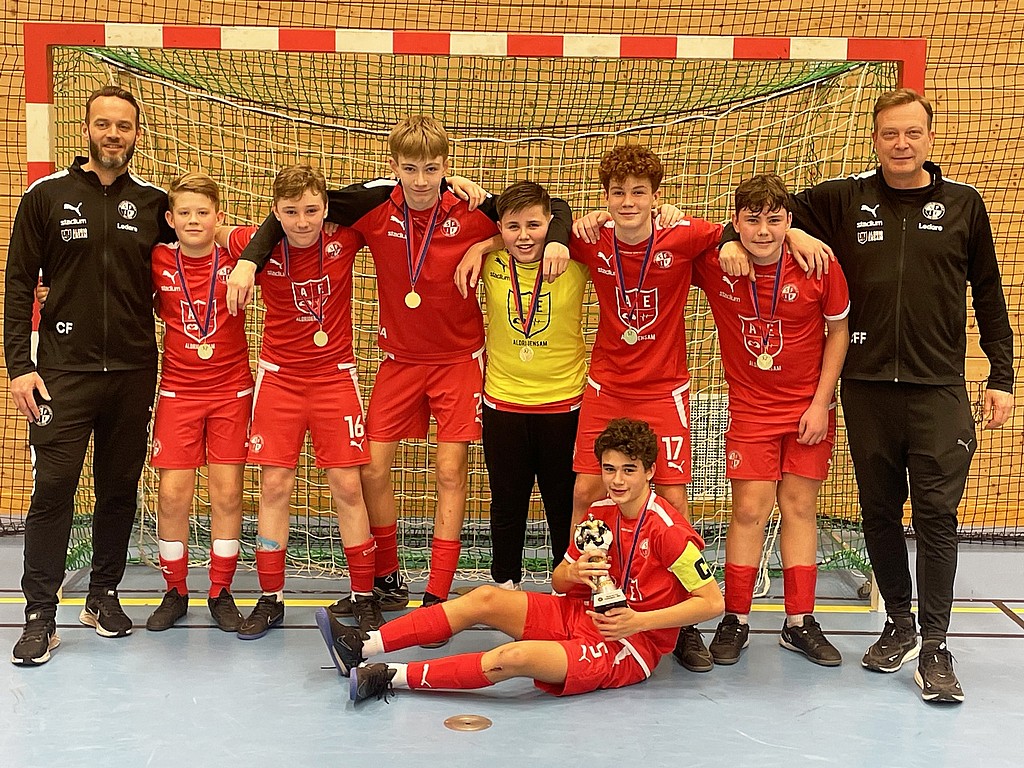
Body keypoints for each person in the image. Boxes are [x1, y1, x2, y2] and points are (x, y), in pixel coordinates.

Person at [720, 89, 1015, 703]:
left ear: (930, 137)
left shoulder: (965, 204)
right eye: (889, 134)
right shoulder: (844, 199)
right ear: (875, 139)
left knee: (935, 515)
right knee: (878, 512)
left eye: (912, 133)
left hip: (938, 388)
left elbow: (988, 292)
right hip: (866, 387)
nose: (901, 144)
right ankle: (898, 625)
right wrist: (738, 239)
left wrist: (1002, 376)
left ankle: (935, 646)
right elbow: (762, 216)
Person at [227, 117, 572, 633]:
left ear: (446, 166)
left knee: (450, 473)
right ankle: (387, 579)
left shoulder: (472, 206)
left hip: (458, 362)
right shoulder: (372, 206)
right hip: (398, 362)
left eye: (432, 169)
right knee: (370, 469)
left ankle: (436, 593)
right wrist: (251, 260)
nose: (421, 180)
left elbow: (550, 210)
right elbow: (294, 211)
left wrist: (489, 244)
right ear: (393, 168)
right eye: (410, 169)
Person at [315, 418, 724, 703]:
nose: (617, 480)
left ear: (650, 471)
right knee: (485, 598)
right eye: (609, 469)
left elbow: (711, 603)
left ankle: (390, 676)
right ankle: (361, 645)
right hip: (580, 612)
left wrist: (638, 622)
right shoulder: (600, 512)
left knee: (514, 657)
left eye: (629, 470)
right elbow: (559, 581)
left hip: (630, 645)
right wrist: (575, 571)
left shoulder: (669, 531)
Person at [4, 85, 175, 664]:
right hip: (61, 374)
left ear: (136, 134)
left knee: (118, 489)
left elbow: (199, 249)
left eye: (123, 126)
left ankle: (103, 595)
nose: (113, 134)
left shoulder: (153, 204)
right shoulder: (46, 196)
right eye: (103, 124)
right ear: (86, 129)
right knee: (53, 488)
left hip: (132, 371)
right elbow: (19, 284)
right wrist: (19, 367)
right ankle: (40, 614)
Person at [566, 144, 722, 673]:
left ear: (657, 197)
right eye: (618, 193)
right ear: (605, 197)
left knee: (672, 499)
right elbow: (536, 225)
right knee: (585, 492)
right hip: (606, 386)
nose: (628, 202)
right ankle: (587, 594)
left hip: (663, 390)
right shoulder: (591, 239)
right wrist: (570, 224)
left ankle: (684, 621)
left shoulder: (684, 235)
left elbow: (742, 232)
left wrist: (798, 235)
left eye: (639, 192)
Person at [220, 164, 383, 638]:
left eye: (312, 210)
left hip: (335, 379)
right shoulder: (256, 243)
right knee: (274, 486)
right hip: (280, 382)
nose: (303, 221)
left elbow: (386, 195)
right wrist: (248, 260)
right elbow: (211, 231)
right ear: (275, 212)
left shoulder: (345, 237)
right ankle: (270, 598)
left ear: (326, 208)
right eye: (290, 212)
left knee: (348, 487)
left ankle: (364, 595)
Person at [693, 174, 849, 666]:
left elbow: (839, 332)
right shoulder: (718, 264)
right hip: (751, 412)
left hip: (808, 411)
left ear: (789, 221)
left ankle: (799, 622)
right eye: (752, 220)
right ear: (737, 221)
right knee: (748, 511)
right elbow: (673, 233)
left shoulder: (818, 264)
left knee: (800, 508)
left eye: (775, 220)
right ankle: (735, 618)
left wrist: (821, 403)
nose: (763, 230)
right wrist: (724, 241)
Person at [144, 172, 253, 633]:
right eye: (184, 212)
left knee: (227, 493)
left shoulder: (239, 255)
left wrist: (241, 249)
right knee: (172, 495)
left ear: (218, 217)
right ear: (170, 219)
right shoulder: (157, 258)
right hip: (178, 392)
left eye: (203, 212)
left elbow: (277, 231)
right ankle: (175, 590)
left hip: (231, 392)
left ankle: (221, 591)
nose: (193, 220)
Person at [474, 181, 588, 588]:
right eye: (513, 226)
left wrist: (560, 236)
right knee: (507, 504)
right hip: (503, 406)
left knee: (563, 505)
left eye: (535, 226)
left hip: (563, 406)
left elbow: (567, 208)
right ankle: (506, 584)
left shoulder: (575, 259)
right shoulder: (489, 261)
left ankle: (566, 588)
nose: (524, 236)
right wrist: (480, 245)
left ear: (550, 224)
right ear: (500, 228)